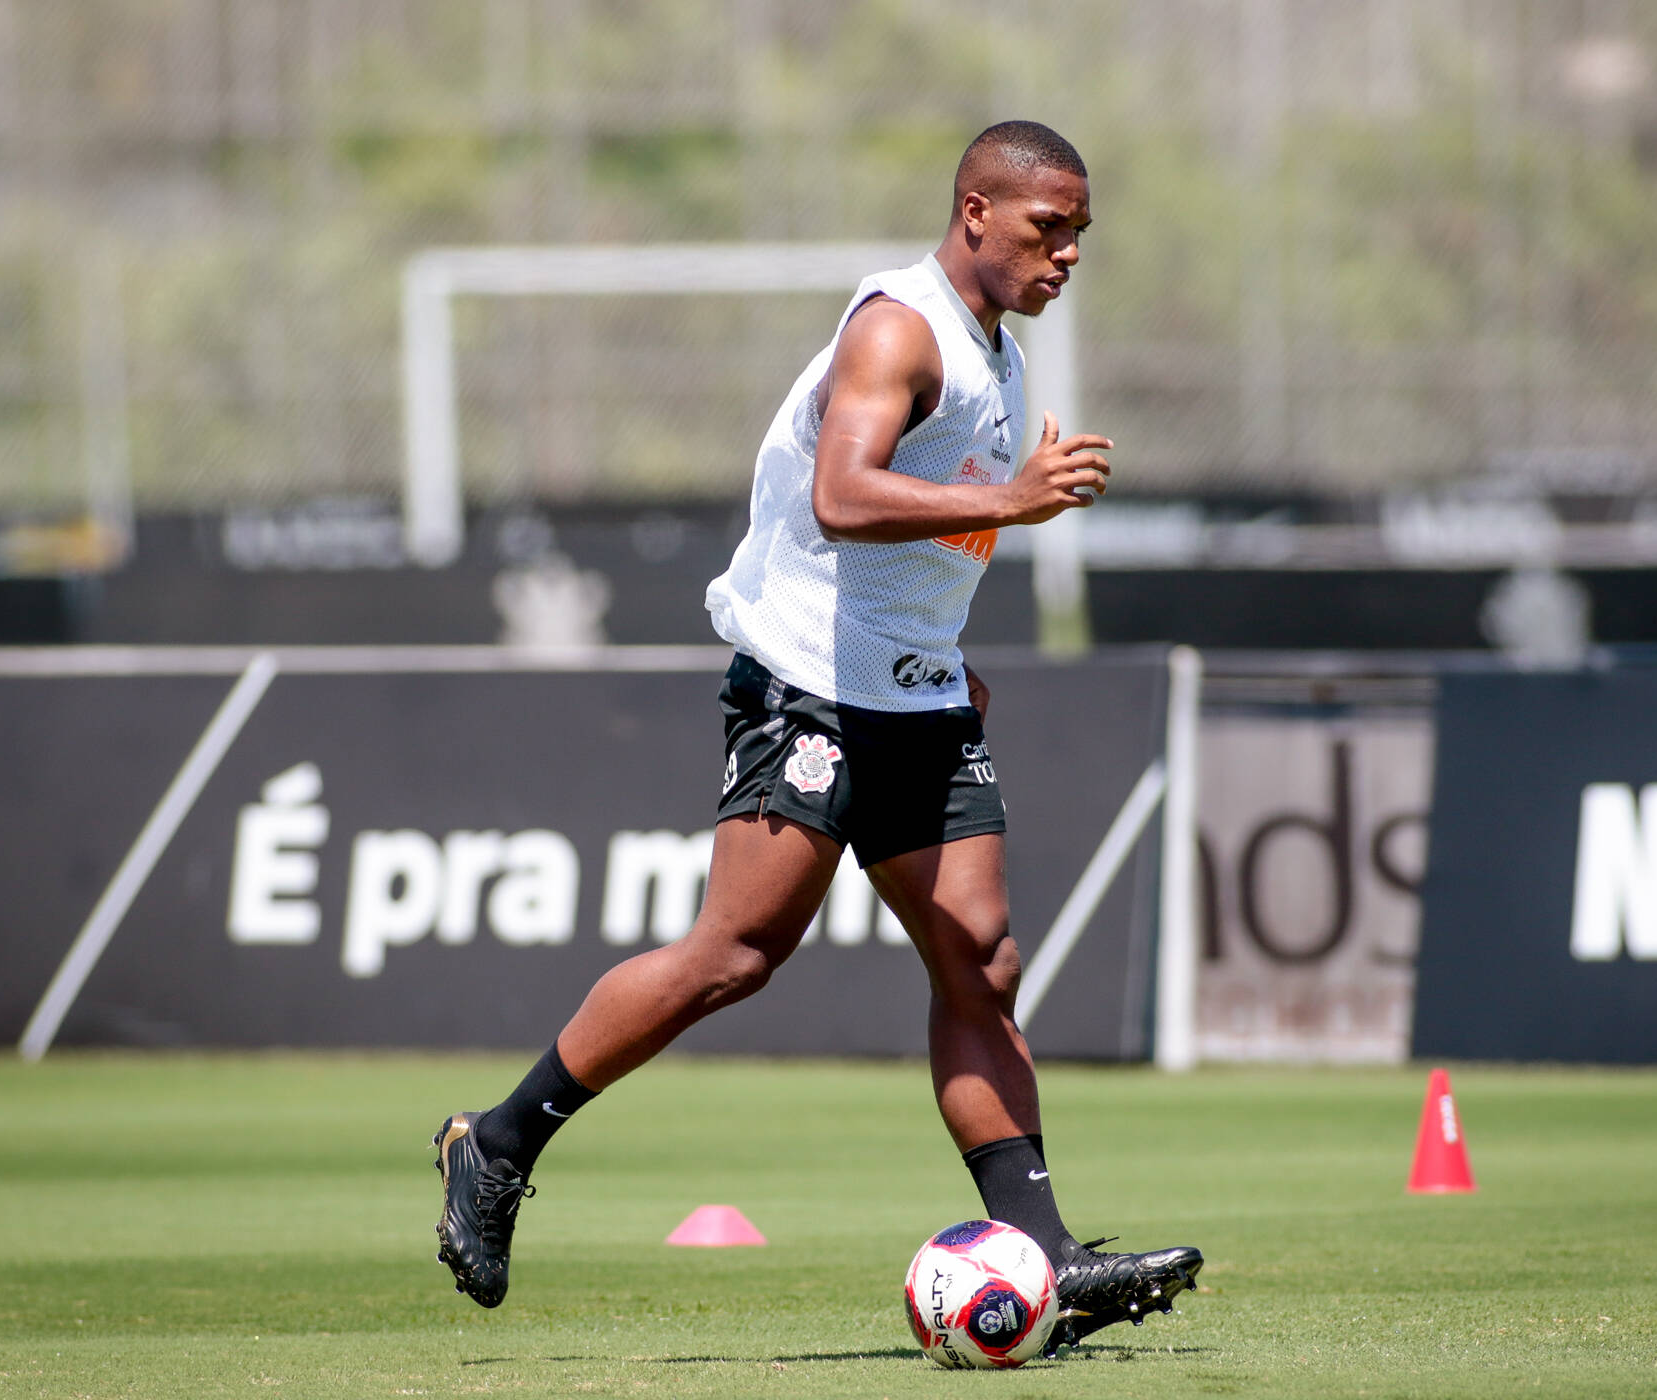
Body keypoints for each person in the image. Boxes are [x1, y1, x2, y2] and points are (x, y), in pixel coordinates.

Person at [432, 119, 1201, 1355]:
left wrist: (947, 665)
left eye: (1079, 235)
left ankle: (1043, 1247)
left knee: (982, 959)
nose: (1066, 255)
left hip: (917, 698)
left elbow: (922, 551)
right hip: (809, 690)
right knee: (735, 955)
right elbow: (845, 499)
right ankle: (498, 1140)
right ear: (973, 215)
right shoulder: (897, 327)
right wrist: (1011, 499)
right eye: (1045, 228)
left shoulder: (995, 350)